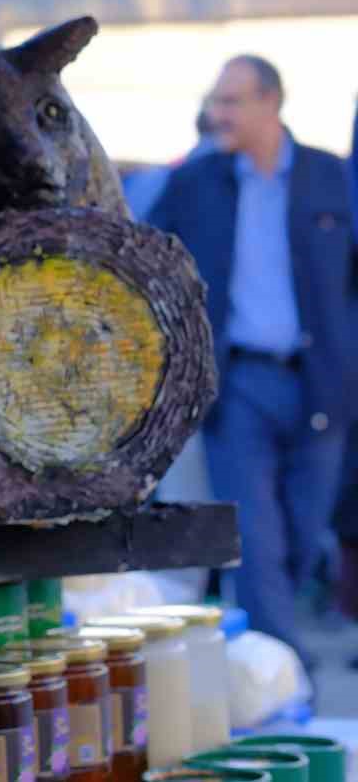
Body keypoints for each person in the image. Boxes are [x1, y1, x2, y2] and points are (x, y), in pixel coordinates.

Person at [147, 55, 358, 669]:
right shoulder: (195, 183)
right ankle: (284, 676)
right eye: (216, 101)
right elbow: (150, 261)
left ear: (271, 102)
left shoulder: (332, 178)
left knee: (299, 536)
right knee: (256, 541)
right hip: (237, 387)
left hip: (322, 391)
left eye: (231, 102)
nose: (217, 115)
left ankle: (270, 662)